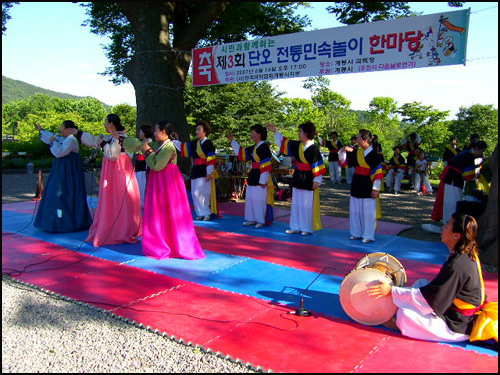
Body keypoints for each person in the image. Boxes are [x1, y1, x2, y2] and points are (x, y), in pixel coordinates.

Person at [368, 213, 485, 343]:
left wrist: (391, 291)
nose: (442, 228)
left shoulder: (457, 265)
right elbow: (435, 293)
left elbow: (433, 300)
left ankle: (398, 325)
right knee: (420, 283)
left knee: (404, 314)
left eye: (446, 227)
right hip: (452, 310)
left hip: (458, 325)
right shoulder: (465, 254)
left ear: (456, 235)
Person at [116, 121, 205, 260]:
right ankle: (163, 242)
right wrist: (121, 138)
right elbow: (140, 145)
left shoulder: (168, 147)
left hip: (167, 185)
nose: (154, 133)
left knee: (168, 213)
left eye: (156, 130)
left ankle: (169, 244)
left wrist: (147, 151)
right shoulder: (160, 145)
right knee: (162, 213)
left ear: (163, 132)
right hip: (161, 183)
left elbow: (156, 165)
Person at [69, 114, 142, 247]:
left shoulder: (120, 137)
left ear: (111, 124)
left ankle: (120, 229)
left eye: (105, 122)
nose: (103, 124)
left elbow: (113, 155)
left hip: (119, 169)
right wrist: (78, 133)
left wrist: (102, 143)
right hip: (113, 169)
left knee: (119, 197)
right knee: (112, 198)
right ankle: (114, 225)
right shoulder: (110, 137)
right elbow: (93, 140)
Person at [266, 121, 325, 236]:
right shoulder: (297, 145)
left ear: (307, 133)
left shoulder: (314, 149)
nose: (298, 134)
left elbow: (318, 165)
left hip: (308, 178)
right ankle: (295, 226)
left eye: (300, 131)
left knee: (306, 204)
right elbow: (285, 142)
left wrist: (317, 181)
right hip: (298, 175)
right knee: (296, 203)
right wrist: (274, 131)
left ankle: (306, 228)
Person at [33, 121, 92, 233]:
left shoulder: (71, 140)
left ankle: (66, 223)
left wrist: (52, 143)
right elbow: (53, 138)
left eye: (62, 127)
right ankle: (55, 222)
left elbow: (60, 152)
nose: (60, 129)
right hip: (62, 168)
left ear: (69, 129)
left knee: (64, 193)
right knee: (56, 192)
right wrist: (40, 130)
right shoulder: (66, 139)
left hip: (68, 171)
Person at [338, 129, 383, 243]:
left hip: (368, 183)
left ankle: (368, 235)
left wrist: (376, 189)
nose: (356, 140)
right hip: (357, 181)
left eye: (358, 138)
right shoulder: (356, 152)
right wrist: (343, 150)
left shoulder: (375, 155)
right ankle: (356, 232)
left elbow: (377, 173)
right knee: (355, 210)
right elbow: (345, 162)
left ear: (365, 140)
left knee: (367, 211)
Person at [227, 124, 274, 228]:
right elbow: (241, 153)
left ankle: (260, 220)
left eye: (253, 132)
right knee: (251, 198)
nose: (251, 134)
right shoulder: (253, 148)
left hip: (261, 175)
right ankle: (251, 218)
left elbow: (266, 165)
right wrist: (232, 141)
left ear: (259, 134)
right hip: (253, 174)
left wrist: (263, 180)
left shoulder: (264, 148)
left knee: (259, 199)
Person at [431, 141, 487, 224]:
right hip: (454, 180)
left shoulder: (465, 153)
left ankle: (448, 222)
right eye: (481, 151)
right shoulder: (469, 156)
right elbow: (467, 175)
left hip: (451, 178)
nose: (481, 154)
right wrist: (477, 176)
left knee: (450, 201)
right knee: (453, 202)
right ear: (475, 149)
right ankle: (450, 223)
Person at [172, 121, 218, 221]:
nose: (196, 131)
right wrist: (174, 140)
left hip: (204, 170)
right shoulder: (194, 144)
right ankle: (200, 213)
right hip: (195, 170)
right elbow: (182, 147)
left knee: (202, 193)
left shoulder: (208, 143)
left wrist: (209, 172)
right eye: (196, 129)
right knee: (194, 193)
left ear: (204, 132)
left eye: (199, 129)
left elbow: (211, 158)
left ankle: (206, 212)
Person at [134, 125, 154, 208]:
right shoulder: (141, 143)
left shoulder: (149, 143)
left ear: (145, 133)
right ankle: (140, 202)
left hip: (144, 166)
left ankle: (143, 203)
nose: (139, 133)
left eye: (141, 132)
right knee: (138, 184)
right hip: (139, 166)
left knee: (142, 185)